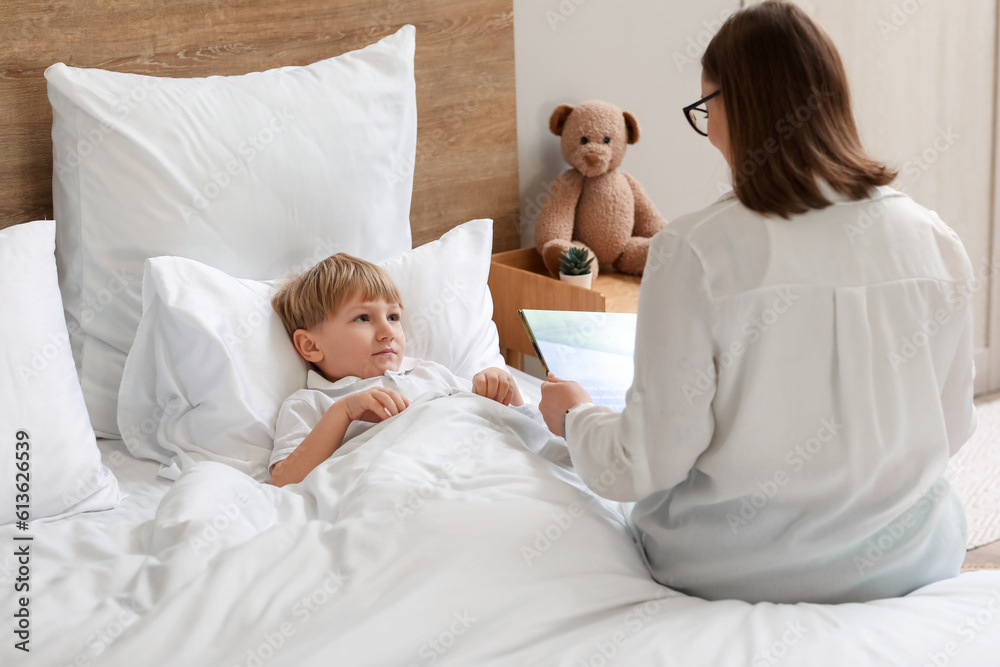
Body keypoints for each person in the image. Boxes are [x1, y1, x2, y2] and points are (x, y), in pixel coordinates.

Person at [538, 0, 977, 604]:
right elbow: (950, 429)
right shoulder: (935, 241)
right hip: (914, 558)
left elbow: (643, 465)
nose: (709, 130)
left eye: (704, 108)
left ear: (734, 107)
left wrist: (575, 416)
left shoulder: (693, 251)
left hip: (737, 568)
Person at [268, 253, 523, 487]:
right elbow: (284, 481)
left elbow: (512, 423)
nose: (388, 332)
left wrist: (502, 389)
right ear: (311, 345)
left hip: (476, 469)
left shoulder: (431, 374)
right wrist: (345, 412)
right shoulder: (311, 403)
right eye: (363, 318)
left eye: (393, 317)